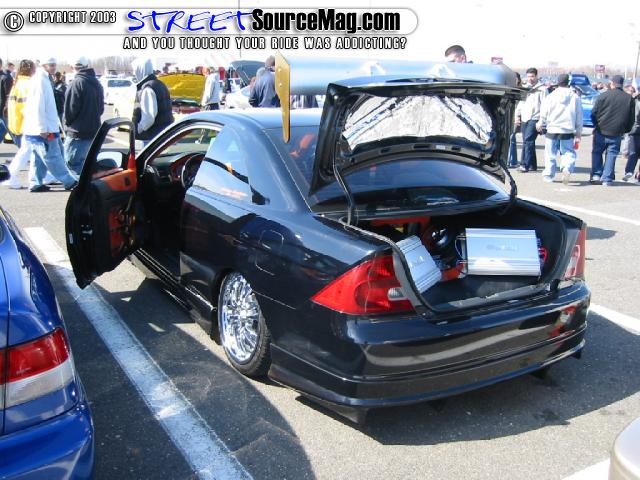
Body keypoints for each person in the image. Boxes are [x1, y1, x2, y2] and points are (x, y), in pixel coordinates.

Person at [22, 60, 77, 192]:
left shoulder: (42, 79)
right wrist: (41, 127)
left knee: (38, 158)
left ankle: (35, 182)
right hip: (44, 128)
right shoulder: (41, 81)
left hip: (40, 127)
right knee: (52, 156)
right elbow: (38, 106)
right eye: (51, 65)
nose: (54, 68)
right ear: (44, 65)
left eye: (54, 65)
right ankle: (68, 181)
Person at [536, 74, 583, 184]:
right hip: (567, 130)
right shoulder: (575, 97)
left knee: (550, 154)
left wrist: (540, 122)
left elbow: (544, 111)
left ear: (558, 82)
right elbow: (579, 116)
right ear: (568, 82)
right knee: (568, 152)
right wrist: (578, 132)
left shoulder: (551, 96)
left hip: (552, 129)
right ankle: (567, 168)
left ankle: (549, 175)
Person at [590, 75, 636, 186]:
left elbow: (594, 113)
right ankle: (607, 179)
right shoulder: (629, 99)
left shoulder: (603, 95)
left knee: (597, 152)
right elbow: (631, 118)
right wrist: (626, 129)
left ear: (612, 83)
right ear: (622, 84)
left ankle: (596, 174)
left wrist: (596, 125)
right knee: (612, 154)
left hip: (601, 130)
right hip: (617, 132)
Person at [63, 56, 104, 175]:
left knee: (73, 165)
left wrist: (67, 124)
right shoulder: (97, 83)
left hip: (77, 133)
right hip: (93, 130)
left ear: (72, 67)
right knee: (88, 165)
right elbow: (101, 109)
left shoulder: (76, 83)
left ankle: (80, 186)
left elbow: (70, 111)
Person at [1, 60, 35, 189]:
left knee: (26, 151)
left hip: (17, 121)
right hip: (26, 123)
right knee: (28, 151)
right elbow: (27, 107)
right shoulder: (27, 84)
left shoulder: (17, 82)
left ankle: (13, 177)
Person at [131, 58, 174, 146]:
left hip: (151, 137)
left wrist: (138, 129)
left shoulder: (147, 88)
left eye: (135, 71)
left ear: (140, 70)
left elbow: (149, 118)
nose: (134, 74)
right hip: (162, 134)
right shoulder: (159, 84)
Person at [516, 68, 548, 172]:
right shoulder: (525, 88)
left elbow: (545, 106)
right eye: (528, 76)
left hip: (535, 118)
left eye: (532, 76)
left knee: (528, 141)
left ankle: (524, 164)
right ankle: (532, 165)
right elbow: (521, 103)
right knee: (528, 141)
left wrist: (541, 121)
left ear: (536, 76)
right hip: (525, 117)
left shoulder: (542, 89)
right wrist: (517, 116)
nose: (530, 79)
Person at [623, 92, 640, 183]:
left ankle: (629, 171)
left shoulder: (634, 102)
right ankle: (638, 175)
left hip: (634, 130)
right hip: (635, 130)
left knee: (633, 153)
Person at [508, 72, 522, 168]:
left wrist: (517, 117)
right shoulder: (508, 89)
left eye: (515, 78)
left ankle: (512, 161)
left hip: (516, 116)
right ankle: (512, 160)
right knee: (511, 138)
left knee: (511, 137)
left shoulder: (520, 91)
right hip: (508, 115)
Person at [0, 59, 15, 144]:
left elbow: (9, 96)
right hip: (2, 111)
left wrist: (7, 108)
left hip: (5, 110)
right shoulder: (5, 77)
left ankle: (24, 149)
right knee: (4, 129)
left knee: (11, 131)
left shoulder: (6, 77)